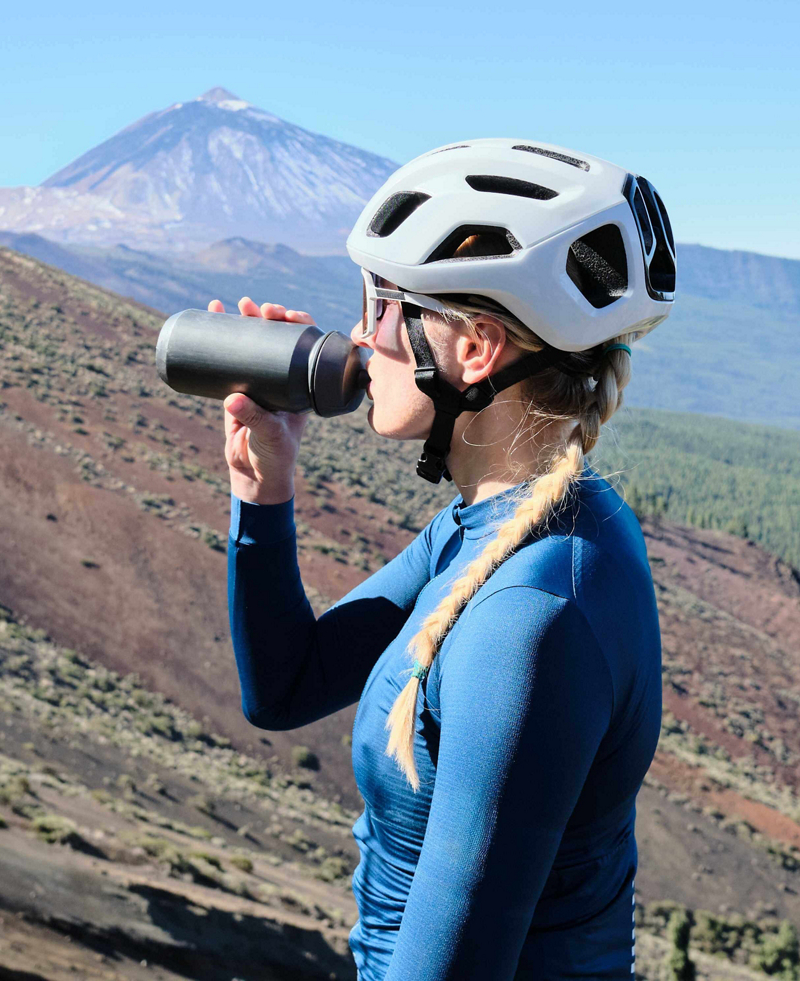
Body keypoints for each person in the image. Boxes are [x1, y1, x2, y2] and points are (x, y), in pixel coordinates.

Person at [217, 139, 677, 980]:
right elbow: (284, 688)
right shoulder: (501, 527)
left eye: (383, 304)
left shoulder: (530, 621)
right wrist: (264, 489)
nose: (360, 335)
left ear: (474, 349)